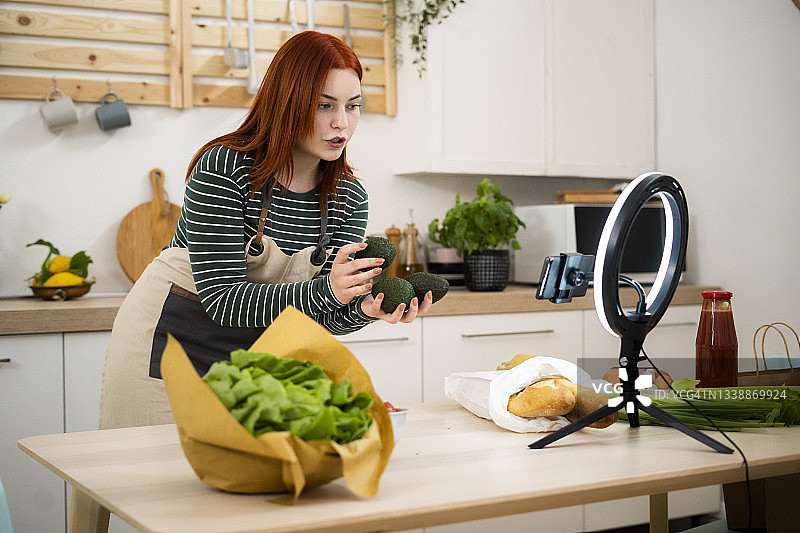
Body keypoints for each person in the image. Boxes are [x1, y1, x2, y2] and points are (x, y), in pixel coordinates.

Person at [99, 31, 432, 429]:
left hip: (257, 361)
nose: (341, 122)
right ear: (287, 102)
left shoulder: (348, 198)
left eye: (353, 106)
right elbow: (222, 301)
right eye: (324, 105)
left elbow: (313, 319)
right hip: (169, 347)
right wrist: (328, 290)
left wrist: (363, 309)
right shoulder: (223, 168)